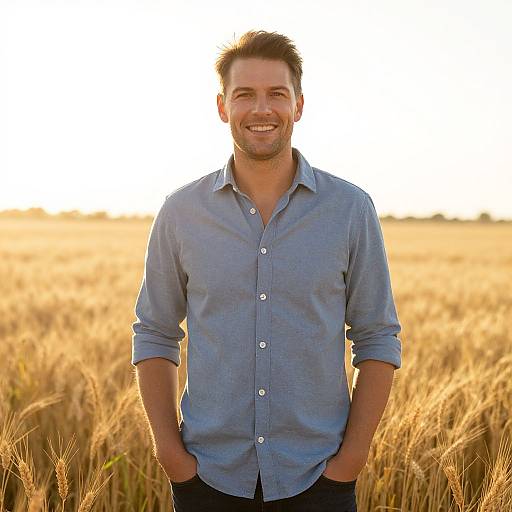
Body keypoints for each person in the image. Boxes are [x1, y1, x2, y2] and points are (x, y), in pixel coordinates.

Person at [131, 29, 402, 512]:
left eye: (277, 94)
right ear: (222, 106)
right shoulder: (181, 212)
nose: (262, 110)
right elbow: (154, 333)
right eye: (245, 95)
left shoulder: (350, 210)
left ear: (298, 105)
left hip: (318, 480)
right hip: (207, 479)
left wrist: (351, 460)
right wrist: (171, 455)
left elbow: (377, 336)